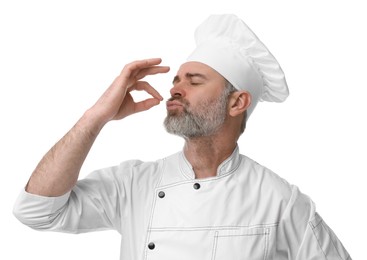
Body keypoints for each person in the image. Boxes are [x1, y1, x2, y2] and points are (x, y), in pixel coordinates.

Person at [13, 14, 351, 260]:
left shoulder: (279, 199)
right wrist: (96, 116)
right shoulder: (134, 184)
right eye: (176, 79)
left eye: (194, 80)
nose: (175, 89)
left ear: (237, 102)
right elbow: (37, 211)